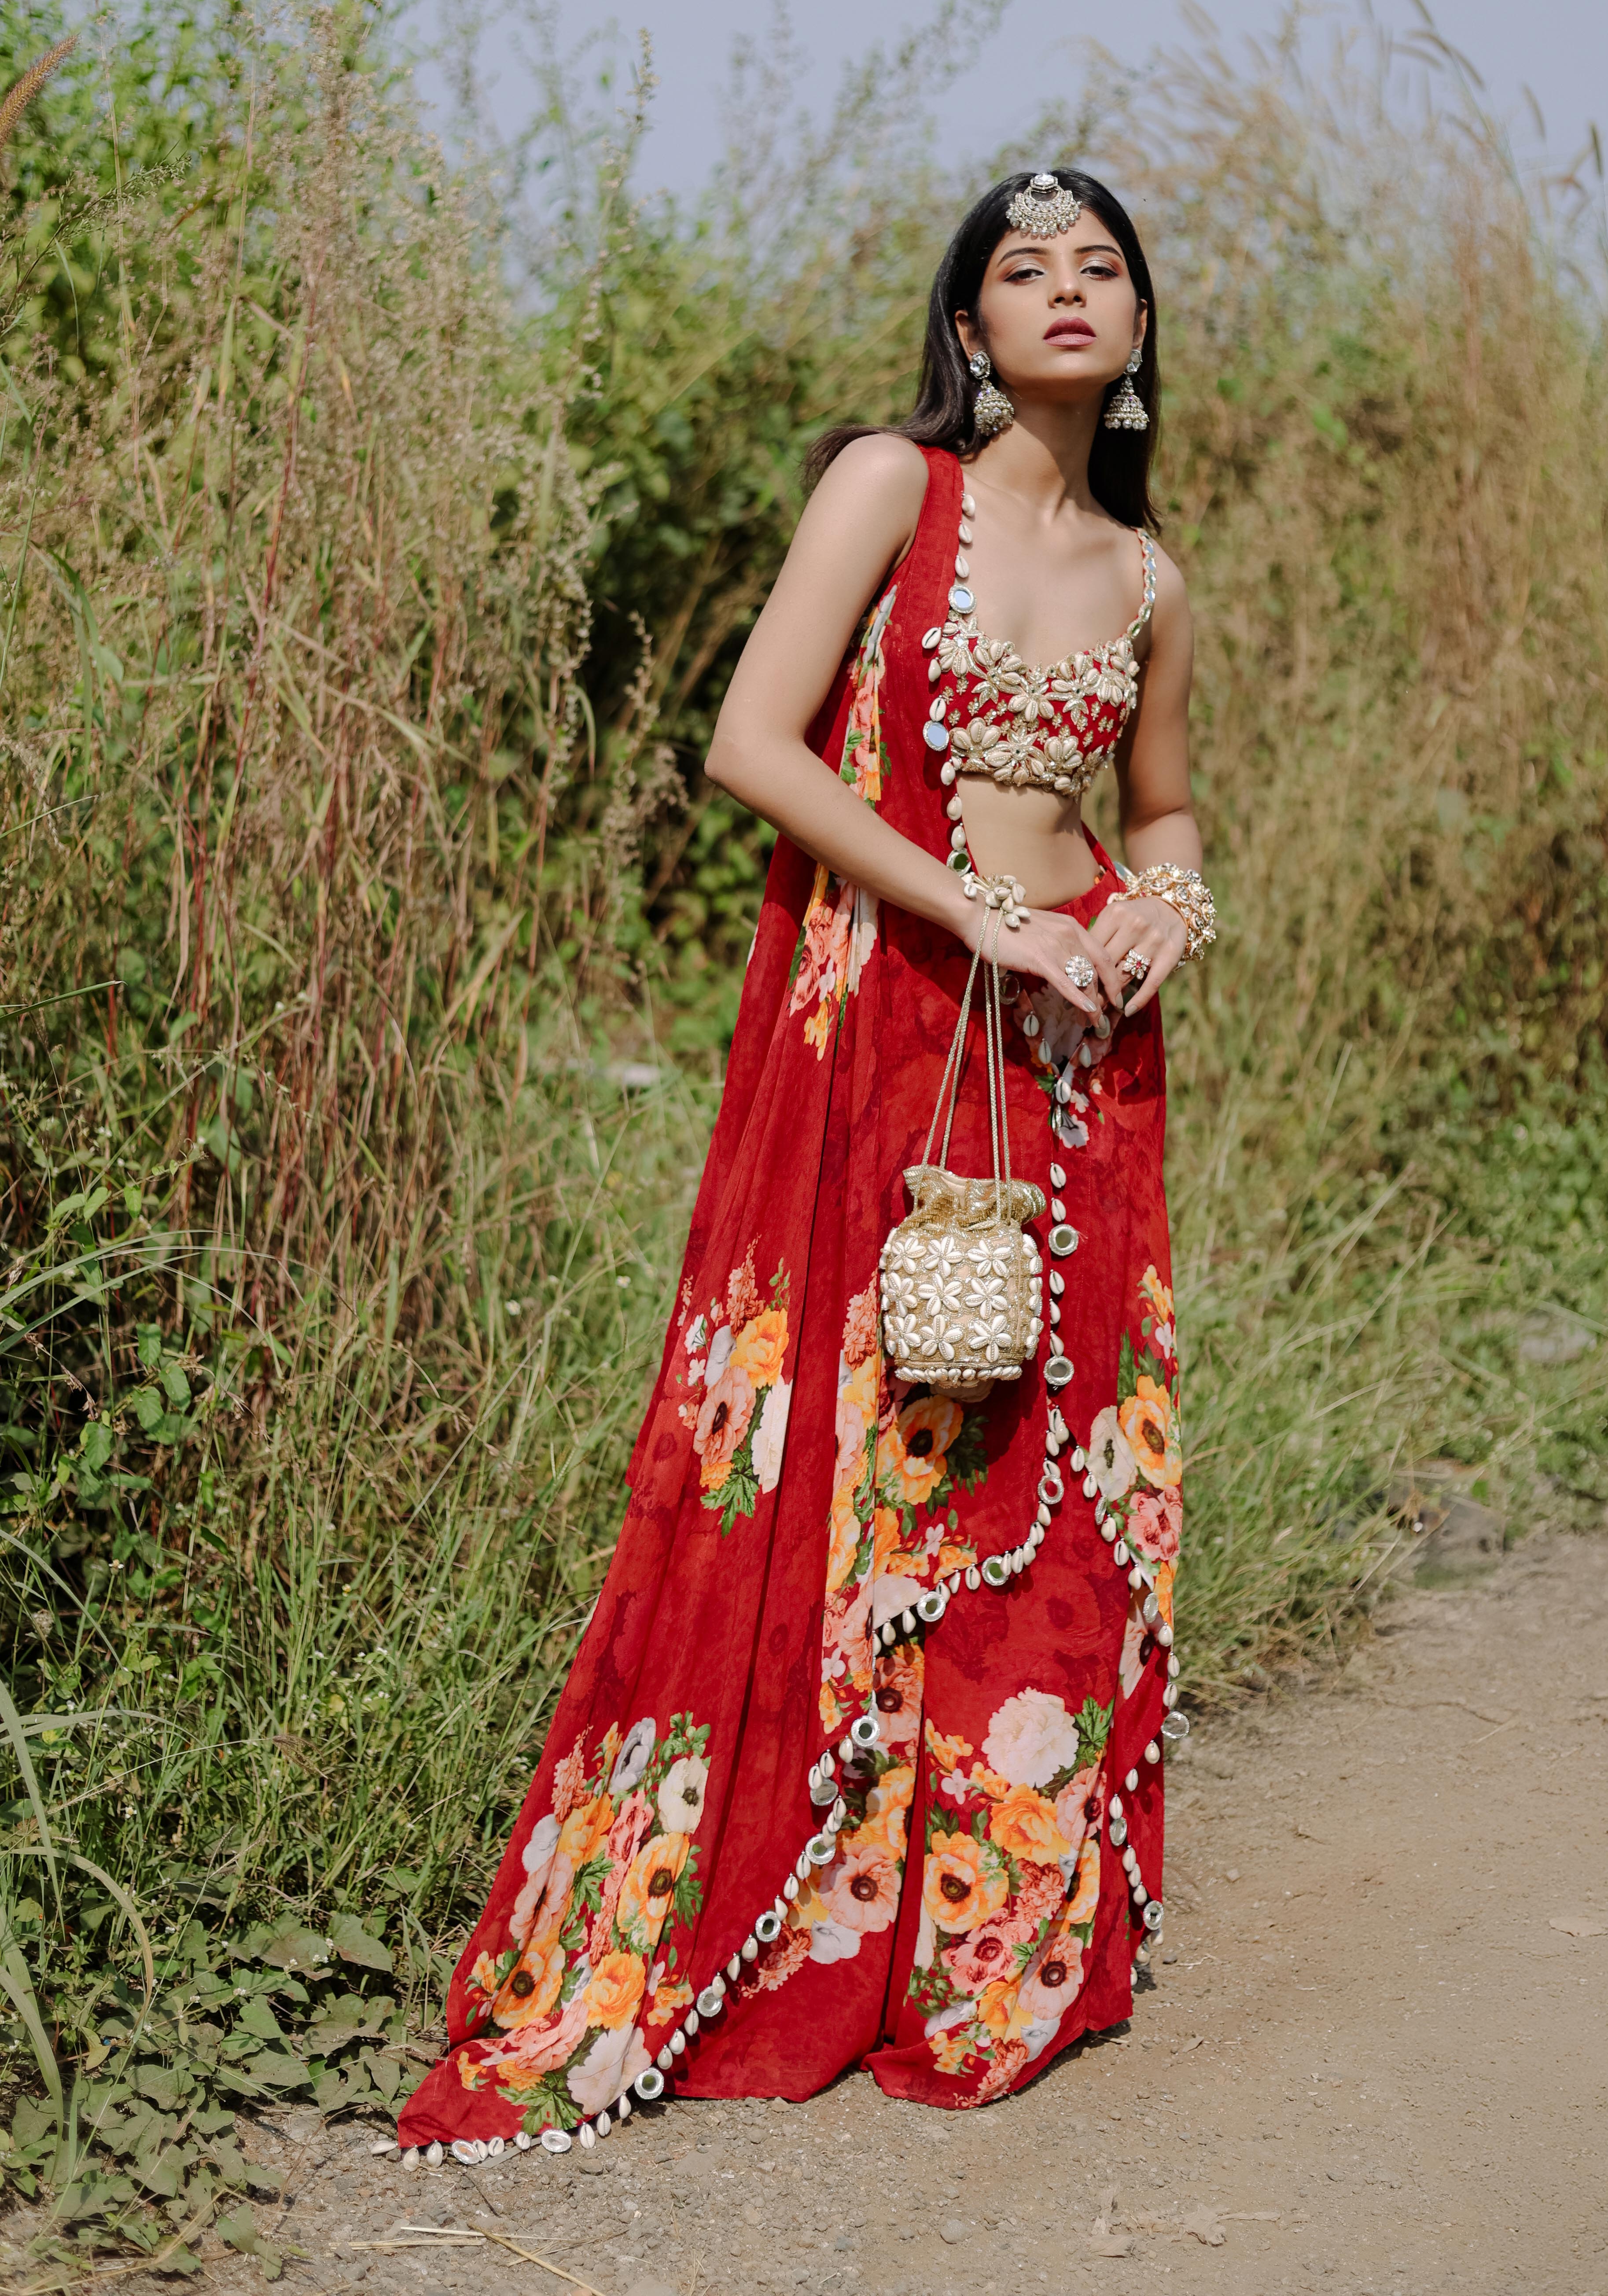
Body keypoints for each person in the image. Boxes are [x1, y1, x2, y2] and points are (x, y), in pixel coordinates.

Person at [397, 168, 1212, 2160]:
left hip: (1074, 1049)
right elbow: (754, 745)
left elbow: (1170, 811)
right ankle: (783, 1917)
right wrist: (972, 910)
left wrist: (1160, 906)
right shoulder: (887, 488)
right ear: (967, 330)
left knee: (1046, 1467)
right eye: (1021, 269)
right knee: (849, 1450)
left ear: (1136, 330)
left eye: (1099, 267)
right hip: (894, 1031)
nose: (1064, 291)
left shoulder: (1147, 575)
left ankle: (983, 1941)